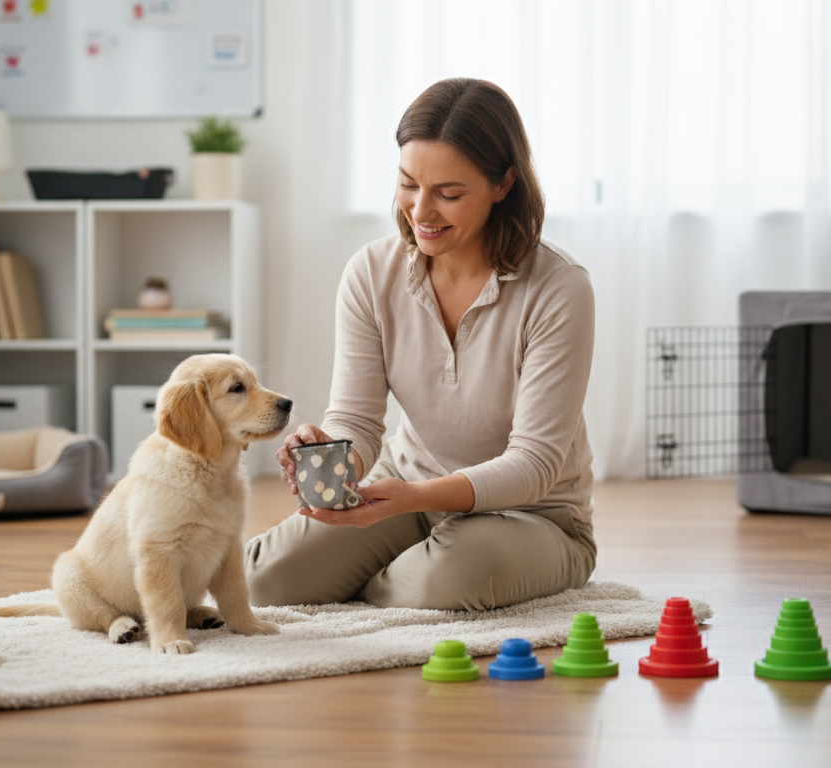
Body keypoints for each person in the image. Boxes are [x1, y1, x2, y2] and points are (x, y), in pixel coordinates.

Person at [244, 78, 597, 612]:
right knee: (263, 581)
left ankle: (399, 573)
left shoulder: (559, 287)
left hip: (535, 514)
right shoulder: (371, 272)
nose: (421, 211)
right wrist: (332, 455)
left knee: (440, 584)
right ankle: (402, 567)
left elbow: (534, 463)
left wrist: (413, 499)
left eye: (449, 194)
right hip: (407, 488)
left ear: (503, 184)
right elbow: (357, 421)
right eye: (409, 184)